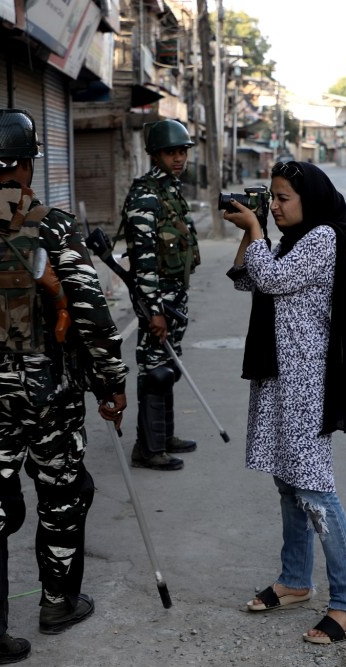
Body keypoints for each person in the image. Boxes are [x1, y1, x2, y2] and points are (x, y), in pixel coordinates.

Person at [0, 109, 128, 666]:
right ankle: (59, 603)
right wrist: (111, 383)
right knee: (62, 494)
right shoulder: (54, 227)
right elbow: (91, 315)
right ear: (27, 163)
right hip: (50, 399)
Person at [222, 160, 346, 644]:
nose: (276, 205)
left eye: (284, 197)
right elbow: (246, 278)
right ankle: (296, 580)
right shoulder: (290, 239)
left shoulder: (323, 238)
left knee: (314, 488)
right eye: (272, 197)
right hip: (281, 378)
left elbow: (274, 281)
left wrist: (255, 229)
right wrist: (253, 233)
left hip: (307, 383)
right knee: (288, 483)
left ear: (310, 200)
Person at [120, 119, 200, 471]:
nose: (178, 157)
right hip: (158, 301)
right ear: (155, 154)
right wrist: (154, 310)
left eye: (182, 151)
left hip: (174, 297)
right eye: (171, 152)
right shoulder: (145, 195)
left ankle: (164, 436)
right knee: (154, 370)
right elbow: (144, 261)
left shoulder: (171, 191)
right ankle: (148, 448)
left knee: (168, 366)